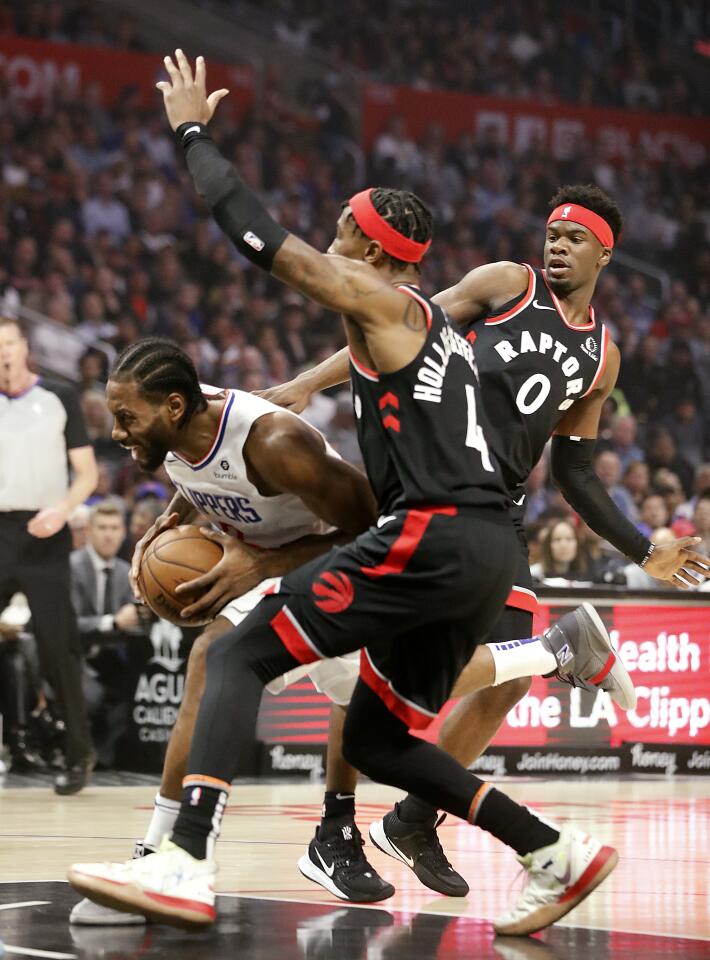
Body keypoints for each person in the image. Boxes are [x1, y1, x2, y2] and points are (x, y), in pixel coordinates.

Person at [68, 53, 644, 937]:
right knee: (378, 740)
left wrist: (191, 133)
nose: (327, 240)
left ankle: (183, 860)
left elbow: (257, 237)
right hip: (486, 545)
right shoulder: (429, 334)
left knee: (233, 656)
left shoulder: (387, 305)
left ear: (371, 252)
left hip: (434, 530)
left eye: (339, 230)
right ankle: (551, 851)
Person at [261, 182, 708, 895]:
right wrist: (308, 384)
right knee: (378, 660)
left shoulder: (602, 358)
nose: (556, 247)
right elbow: (396, 324)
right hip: (423, 484)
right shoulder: (506, 284)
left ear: (604, 253)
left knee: (509, 677)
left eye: (573, 240)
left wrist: (641, 546)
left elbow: (577, 470)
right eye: (552, 235)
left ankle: (413, 819)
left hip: (497, 511)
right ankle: (334, 828)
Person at [69, 335, 388, 926]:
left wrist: (265, 564)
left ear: (172, 407)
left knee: (354, 697)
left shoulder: (273, 441)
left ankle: (336, 832)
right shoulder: (169, 432)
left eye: (125, 418)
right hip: (260, 564)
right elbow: (201, 474)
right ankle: (162, 851)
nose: (116, 432)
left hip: (338, 565)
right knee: (211, 658)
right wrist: (171, 524)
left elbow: (372, 526)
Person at [0, 315, 98, 794]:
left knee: (58, 648)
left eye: (9, 343)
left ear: (23, 347)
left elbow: (86, 473)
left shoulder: (58, 397)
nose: (3, 352)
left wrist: (63, 510)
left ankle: (79, 755)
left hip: (45, 530)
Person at [70, 501, 146, 767]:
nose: (109, 534)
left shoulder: (127, 571)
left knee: (138, 690)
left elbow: (136, 621)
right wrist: (112, 623)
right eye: (102, 527)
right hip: (74, 658)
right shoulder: (71, 567)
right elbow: (70, 626)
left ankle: (106, 763)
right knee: (93, 697)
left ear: (124, 532)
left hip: (113, 659)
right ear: (89, 531)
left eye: (115, 528)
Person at [529, 519, 590, 585]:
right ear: (548, 545)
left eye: (569, 539)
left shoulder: (585, 578)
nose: (563, 545)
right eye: (557, 539)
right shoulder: (532, 574)